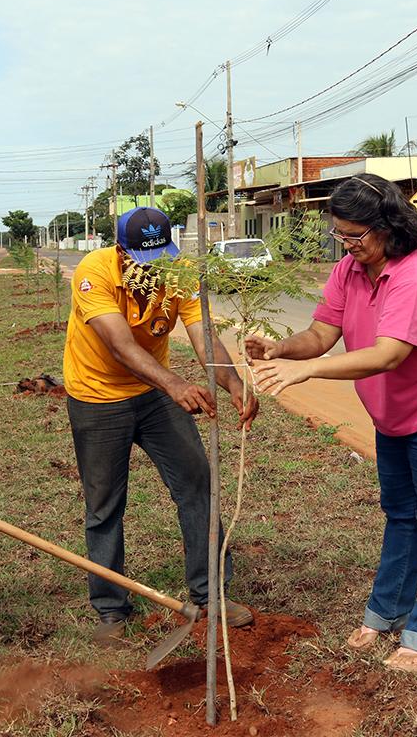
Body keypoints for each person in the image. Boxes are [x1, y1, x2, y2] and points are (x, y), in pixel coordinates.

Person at [247, 173, 417, 673]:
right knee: (401, 514)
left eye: (355, 236)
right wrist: (281, 348)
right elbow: (321, 333)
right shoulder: (349, 269)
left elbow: (388, 355)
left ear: (389, 226)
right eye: (340, 235)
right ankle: (386, 612)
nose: (346, 245)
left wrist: (306, 371)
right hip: (395, 418)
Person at [63, 207, 259, 645]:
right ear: (120, 251)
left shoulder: (179, 273)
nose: (153, 272)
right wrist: (174, 384)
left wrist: (232, 381)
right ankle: (111, 610)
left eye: (160, 259)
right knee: (104, 505)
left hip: (154, 397)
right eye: (142, 261)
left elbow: (203, 332)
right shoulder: (94, 273)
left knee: (197, 483)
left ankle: (211, 594)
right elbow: (118, 345)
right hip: (97, 398)